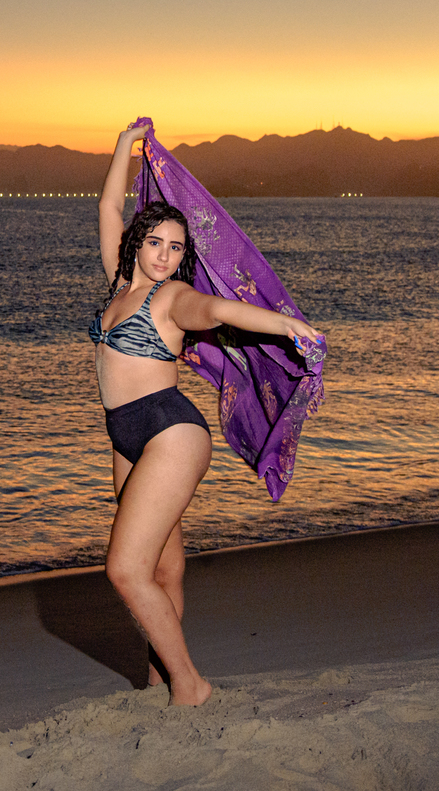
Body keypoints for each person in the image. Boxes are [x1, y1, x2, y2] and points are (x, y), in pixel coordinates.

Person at [91, 123, 322, 706]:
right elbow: (106, 206)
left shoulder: (171, 299)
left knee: (124, 569)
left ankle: (189, 685)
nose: (167, 256)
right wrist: (125, 145)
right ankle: (158, 679)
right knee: (163, 570)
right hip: (127, 438)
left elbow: (220, 307)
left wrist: (285, 323)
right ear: (136, 245)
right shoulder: (119, 284)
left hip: (171, 431)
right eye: (156, 244)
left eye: (177, 247)